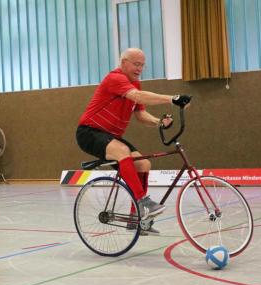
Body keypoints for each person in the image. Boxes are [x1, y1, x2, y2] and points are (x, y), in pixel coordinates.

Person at [76, 48, 190, 234]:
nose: (139, 68)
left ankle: (135, 220)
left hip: (111, 136)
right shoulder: (115, 78)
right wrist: (172, 98)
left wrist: (159, 122)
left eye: (142, 65)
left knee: (143, 164)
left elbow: (140, 114)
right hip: (89, 132)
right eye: (136, 64)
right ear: (123, 63)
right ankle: (142, 203)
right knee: (122, 152)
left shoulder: (135, 85)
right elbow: (136, 97)